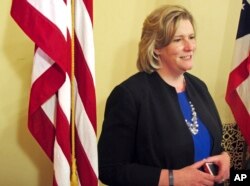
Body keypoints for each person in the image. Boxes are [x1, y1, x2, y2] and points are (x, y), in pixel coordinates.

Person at [98, 5, 230, 186]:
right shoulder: (129, 96)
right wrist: (173, 179)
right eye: (178, 39)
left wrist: (224, 156)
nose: (190, 46)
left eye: (191, 37)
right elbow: (109, 169)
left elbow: (204, 142)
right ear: (156, 47)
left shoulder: (199, 86)